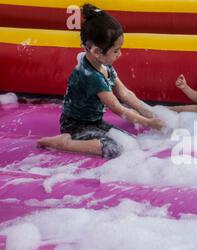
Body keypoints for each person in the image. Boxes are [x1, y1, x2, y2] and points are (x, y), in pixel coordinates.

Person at [37, 3, 163, 159]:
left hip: (94, 122)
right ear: (97, 51)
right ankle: (65, 142)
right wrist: (149, 123)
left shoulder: (102, 64)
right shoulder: (91, 76)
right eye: (116, 50)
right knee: (113, 149)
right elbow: (118, 108)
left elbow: (124, 93)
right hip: (75, 125)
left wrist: (152, 114)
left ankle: (77, 141)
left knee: (130, 142)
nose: (120, 54)